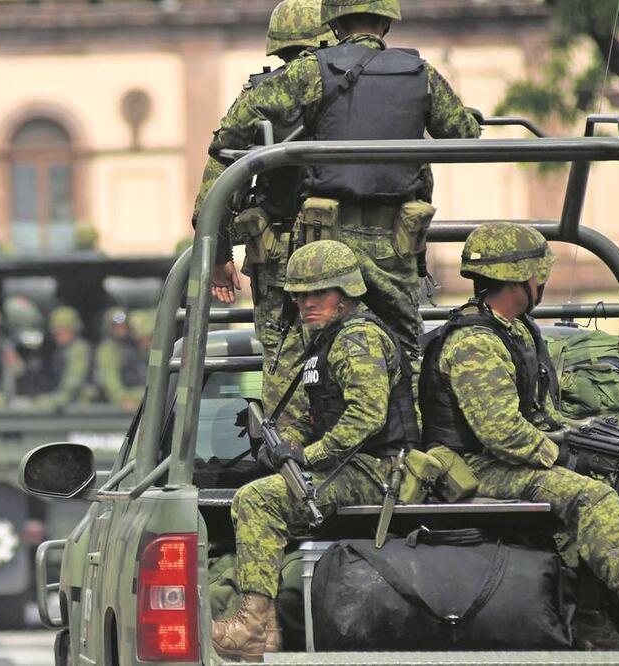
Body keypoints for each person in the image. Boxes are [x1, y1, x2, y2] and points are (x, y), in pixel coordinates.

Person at [207, 0, 481, 361]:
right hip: (393, 244)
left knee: (304, 356)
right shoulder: (421, 74)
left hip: (325, 241)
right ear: (387, 22)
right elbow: (463, 133)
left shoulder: (310, 73)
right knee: (403, 353)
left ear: (334, 24)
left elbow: (235, 128)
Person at [419, 222, 619, 623]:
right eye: (539, 273)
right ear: (519, 279)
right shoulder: (475, 343)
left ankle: (595, 615)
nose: (543, 280)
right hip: (475, 465)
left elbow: (540, 413)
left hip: (505, 458)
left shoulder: (515, 329)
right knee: (593, 496)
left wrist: (581, 438)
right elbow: (500, 434)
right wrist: (564, 455)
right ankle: (608, 611)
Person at [213, 240, 417, 660]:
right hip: (358, 467)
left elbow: (367, 417)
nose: (306, 303)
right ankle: (264, 634)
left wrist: (309, 456)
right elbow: (325, 412)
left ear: (346, 294)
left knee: (258, 499)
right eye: (299, 295)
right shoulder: (329, 338)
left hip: (379, 472)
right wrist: (290, 444)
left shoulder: (356, 338)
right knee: (263, 493)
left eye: (317, 293)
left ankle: (252, 624)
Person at [193, 0, 333, 421]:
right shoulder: (365, 93)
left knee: (282, 358)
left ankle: (291, 463)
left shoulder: (262, 94)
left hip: (280, 252)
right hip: (363, 247)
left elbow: (216, 186)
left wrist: (220, 258)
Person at [34, 306, 92, 410]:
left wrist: (56, 400)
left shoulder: (78, 348)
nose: (57, 334)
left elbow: (74, 380)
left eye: (62, 330)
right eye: (55, 331)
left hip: (79, 404)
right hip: (64, 399)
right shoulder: (59, 349)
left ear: (73, 330)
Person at [94, 308, 145, 410]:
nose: (120, 329)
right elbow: (110, 380)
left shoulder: (133, 346)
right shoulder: (108, 349)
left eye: (123, 326)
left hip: (137, 395)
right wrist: (123, 399)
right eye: (116, 326)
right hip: (118, 403)